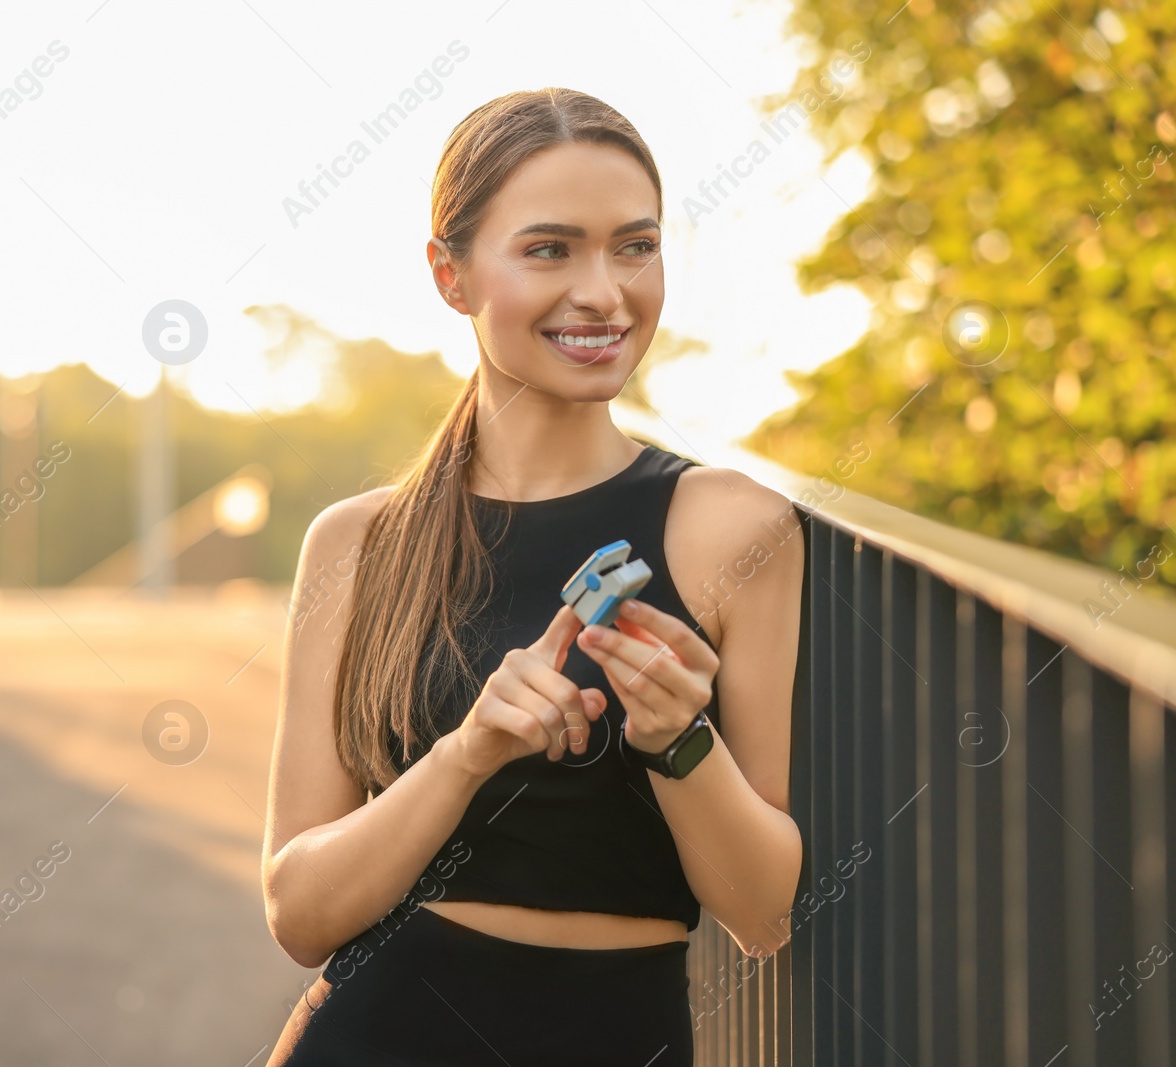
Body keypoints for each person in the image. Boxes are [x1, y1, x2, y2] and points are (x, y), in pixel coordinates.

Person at [262, 86, 805, 1066]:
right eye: (550, 249)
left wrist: (678, 739)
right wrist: (466, 751)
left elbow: (760, 912)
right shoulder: (356, 545)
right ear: (451, 275)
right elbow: (300, 911)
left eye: (633, 246)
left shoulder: (736, 528)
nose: (604, 291)